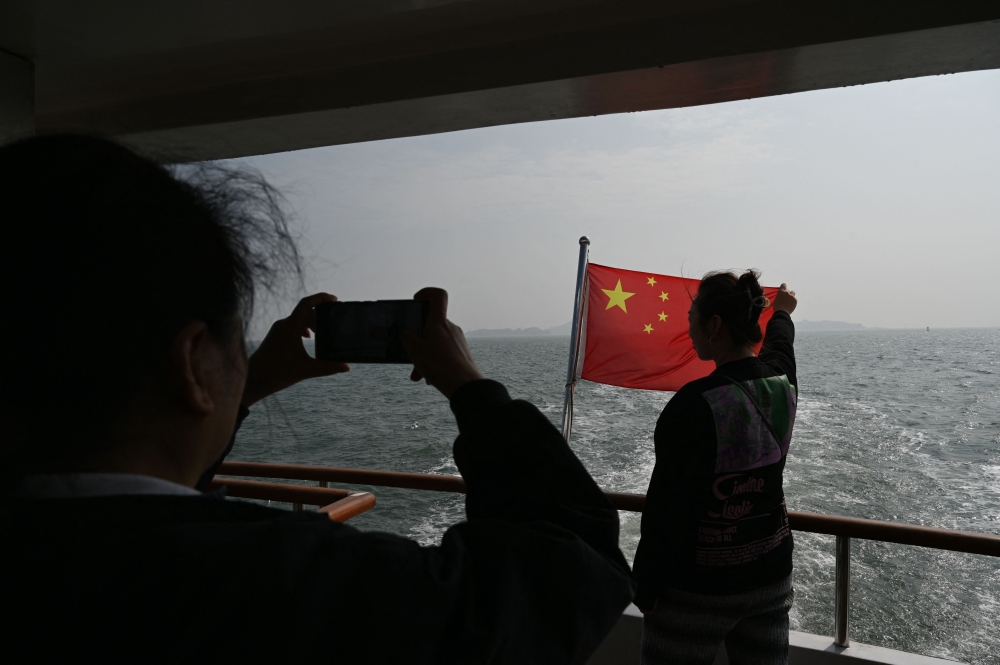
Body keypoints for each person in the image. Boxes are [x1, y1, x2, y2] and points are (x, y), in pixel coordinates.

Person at [0, 135, 634, 663]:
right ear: (193, 363)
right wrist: (470, 385)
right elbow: (573, 570)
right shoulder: (287, 587)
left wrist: (245, 382)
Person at [631, 270, 799, 665]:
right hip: (770, 580)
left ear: (715, 325)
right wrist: (783, 313)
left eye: (692, 320)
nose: (688, 330)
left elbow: (667, 510)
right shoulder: (783, 382)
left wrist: (647, 587)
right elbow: (780, 346)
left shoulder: (693, 404)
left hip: (697, 590)